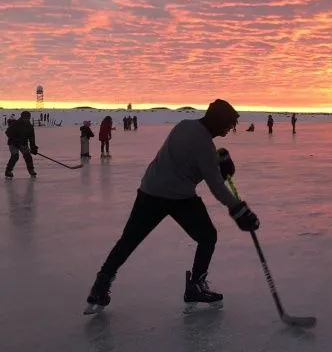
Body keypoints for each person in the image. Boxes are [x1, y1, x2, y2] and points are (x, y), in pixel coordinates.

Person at [84, 99, 261, 314]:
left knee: (129, 240)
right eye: (226, 126)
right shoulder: (204, 144)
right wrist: (239, 210)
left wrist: (217, 162)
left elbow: (188, 156)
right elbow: (216, 185)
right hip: (179, 197)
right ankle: (195, 286)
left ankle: (100, 286)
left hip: (150, 190)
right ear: (216, 121)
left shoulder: (184, 125)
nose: (226, 132)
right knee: (207, 236)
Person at [5, 111, 37, 179]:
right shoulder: (16, 124)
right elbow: (8, 132)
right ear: (22, 117)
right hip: (13, 143)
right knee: (15, 156)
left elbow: (32, 138)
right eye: (25, 118)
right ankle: (8, 171)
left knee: (28, 156)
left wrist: (33, 147)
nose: (27, 119)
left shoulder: (30, 127)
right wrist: (15, 140)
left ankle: (31, 170)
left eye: (28, 118)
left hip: (23, 144)